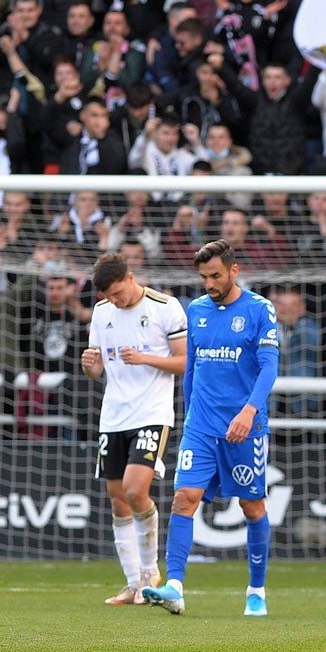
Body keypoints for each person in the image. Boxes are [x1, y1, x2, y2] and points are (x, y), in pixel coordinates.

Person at [143, 239, 279, 616]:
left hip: (244, 427)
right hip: (201, 426)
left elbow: (269, 368)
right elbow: (191, 368)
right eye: (203, 277)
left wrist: (249, 411)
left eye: (215, 275)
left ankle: (256, 590)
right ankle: (175, 585)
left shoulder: (259, 310)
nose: (209, 283)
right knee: (184, 498)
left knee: (252, 506)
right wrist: (187, 416)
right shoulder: (197, 310)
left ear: (234, 271)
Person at [82, 253, 188, 605]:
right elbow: (97, 370)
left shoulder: (165, 306)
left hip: (152, 412)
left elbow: (185, 361)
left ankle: (150, 572)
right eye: (108, 297)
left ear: (130, 277)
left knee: (134, 490)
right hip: (113, 415)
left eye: (118, 293)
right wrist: (91, 366)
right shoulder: (102, 314)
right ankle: (133, 584)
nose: (115, 301)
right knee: (117, 499)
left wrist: (146, 358)